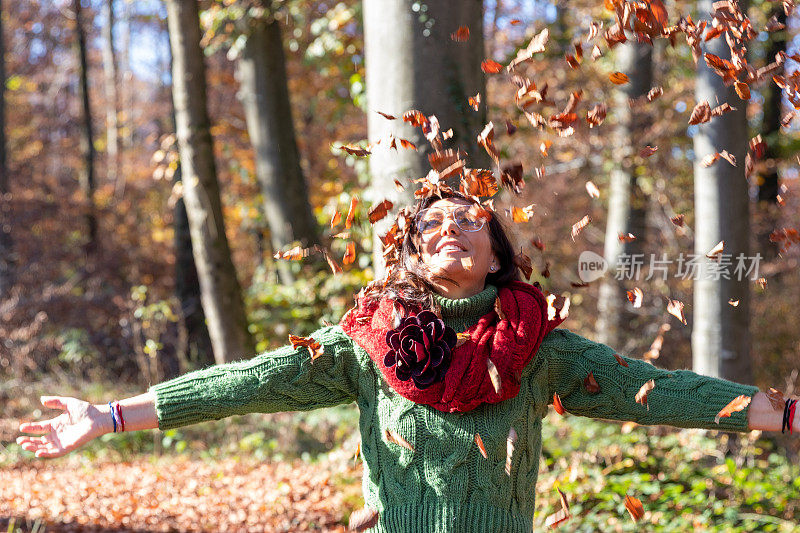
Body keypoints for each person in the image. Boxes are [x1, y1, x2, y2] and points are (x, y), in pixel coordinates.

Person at [17, 189, 798, 532]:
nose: (450, 228)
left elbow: (661, 391)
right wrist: (112, 414)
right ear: (414, 255)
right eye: (431, 225)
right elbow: (241, 383)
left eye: (470, 221)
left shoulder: (544, 351)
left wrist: (787, 412)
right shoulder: (366, 339)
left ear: (498, 255)